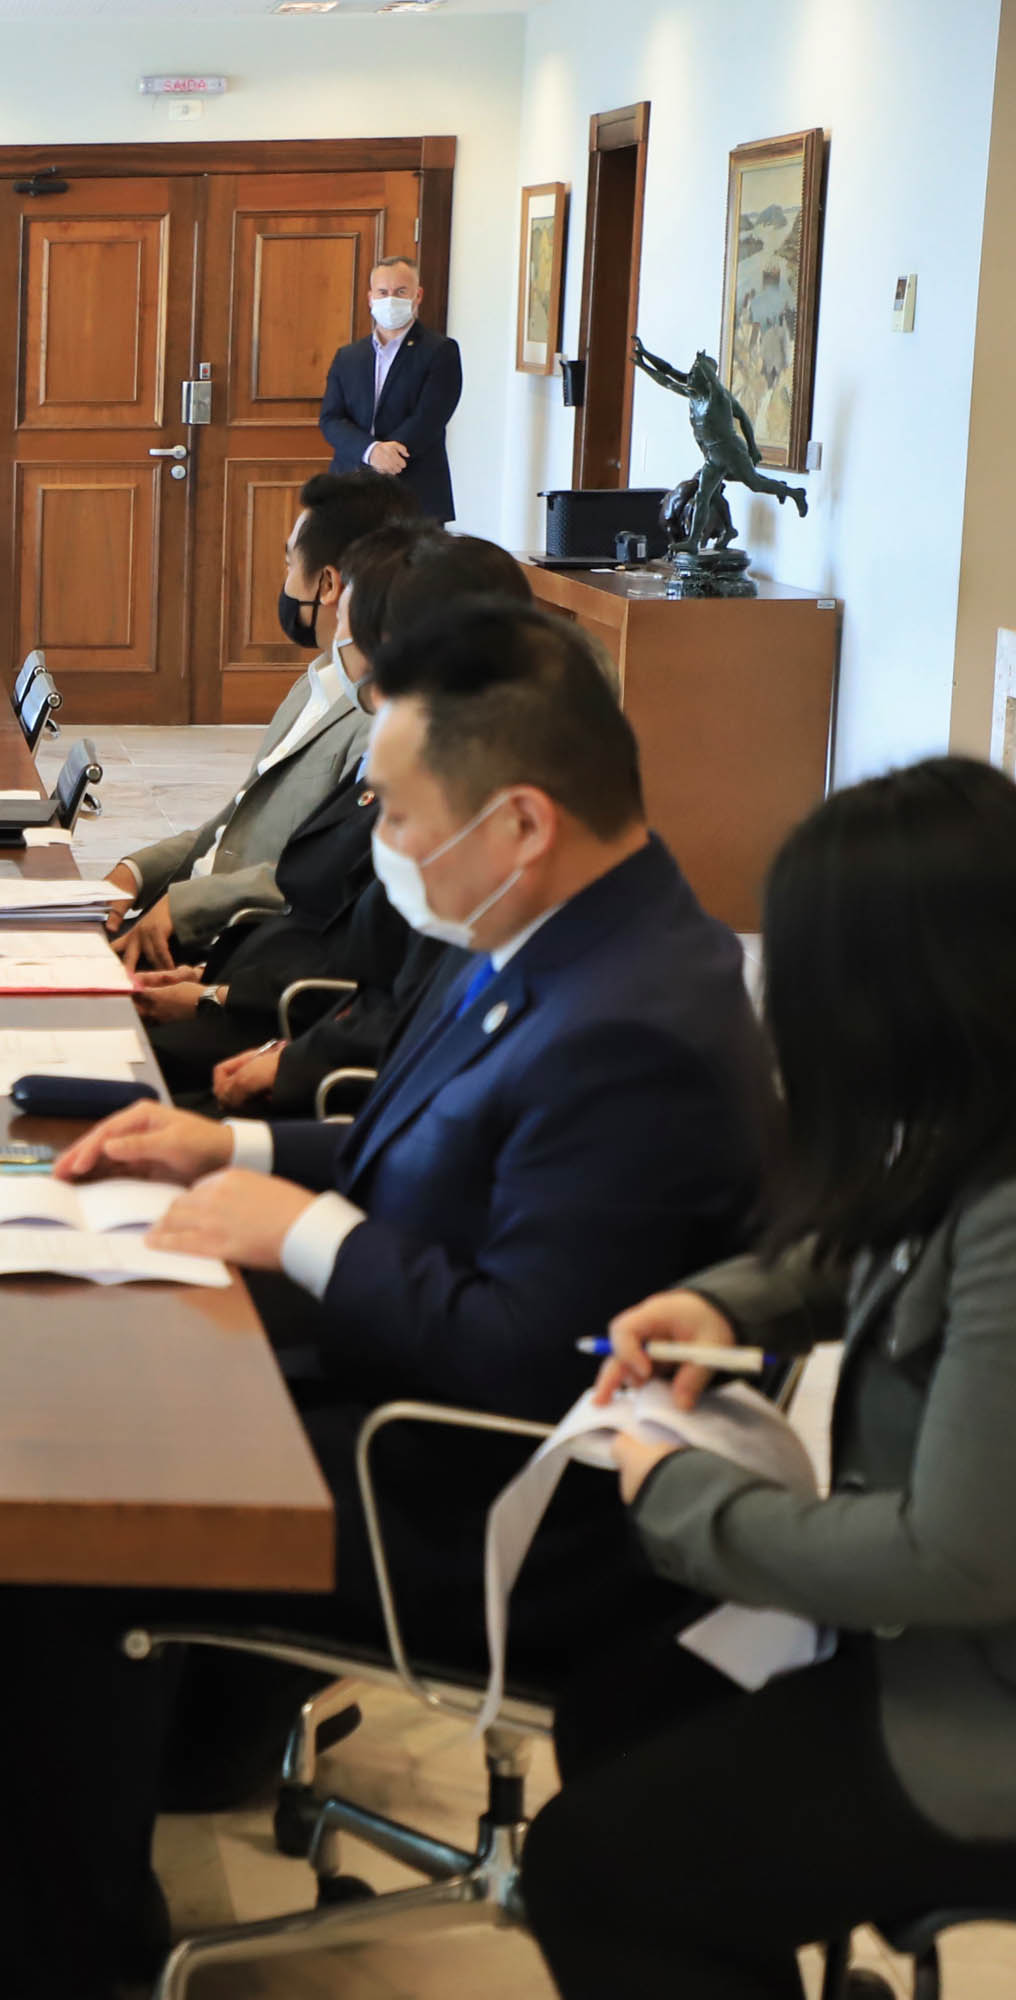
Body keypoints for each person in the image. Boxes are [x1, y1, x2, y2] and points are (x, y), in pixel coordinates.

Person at [0, 601, 775, 1998]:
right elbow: (414, 1155)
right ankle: (39, 1823)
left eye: (403, 817)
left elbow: (527, 1361)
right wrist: (226, 1146)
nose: (386, 845)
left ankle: (45, 1951)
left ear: (522, 822)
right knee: (90, 1392)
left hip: (500, 1502)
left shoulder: (634, 1028)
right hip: (412, 1400)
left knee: (107, 1490)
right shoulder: (562, 934)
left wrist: (300, 1231)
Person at [521, 757, 1016, 1999]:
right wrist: (722, 1300)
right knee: (621, 1705)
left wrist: (678, 1495)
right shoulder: (976, 1129)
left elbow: (952, 1557)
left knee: (593, 1866)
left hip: (977, 1696)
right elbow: (877, 1251)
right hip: (933, 1642)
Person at [138, 526, 531, 1110]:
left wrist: (220, 1002)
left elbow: (385, 996)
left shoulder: (462, 805)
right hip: (273, 1009)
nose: (336, 643)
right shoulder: (410, 756)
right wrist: (209, 984)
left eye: (349, 626)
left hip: (303, 1051)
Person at [107, 470, 414, 972]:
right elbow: (233, 823)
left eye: (290, 563)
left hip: (229, 952)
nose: (285, 581)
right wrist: (135, 873)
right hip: (181, 927)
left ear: (329, 584)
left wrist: (184, 909)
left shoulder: (378, 723)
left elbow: (316, 876)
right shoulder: (314, 683)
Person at [319, 256, 462, 522]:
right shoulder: (348, 356)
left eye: (400, 292)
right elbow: (331, 419)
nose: (390, 299)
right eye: (383, 292)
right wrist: (371, 451)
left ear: (417, 296)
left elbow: (430, 417)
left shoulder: (440, 351)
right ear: (370, 298)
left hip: (414, 491)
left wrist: (390, 456)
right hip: (349, 489)